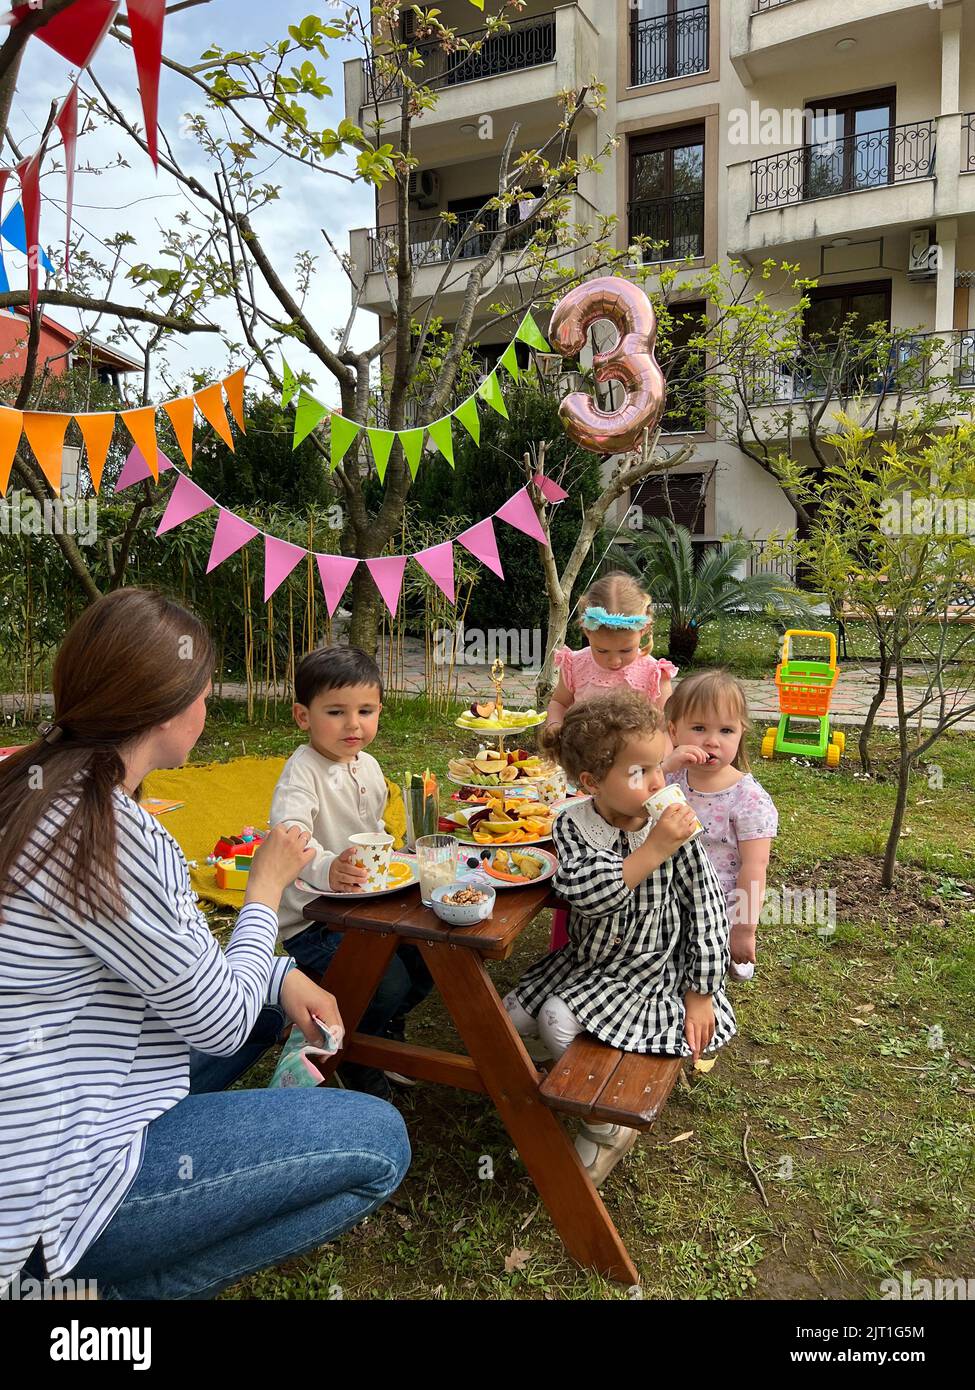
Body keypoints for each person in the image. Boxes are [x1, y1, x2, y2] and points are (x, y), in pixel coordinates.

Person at [0, 589, 410, 1301]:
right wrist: (263, 891)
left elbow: (183, 976)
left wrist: (279, 972)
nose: (207, 704)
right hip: (48, 1188)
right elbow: (217, 1021)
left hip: (55, 1091)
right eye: (203, 690)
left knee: (265, 1004)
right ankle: (83, 1296)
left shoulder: (27, 786)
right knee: (379, 1143)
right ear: (170, 707)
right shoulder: (113, 834)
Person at [504, 689, 735, 1188]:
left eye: (659, 767)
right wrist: (651, 850)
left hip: (649, 973)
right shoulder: (572, 825)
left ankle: (605, 1124)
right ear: (591, 783)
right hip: (588, 962)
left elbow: (708, 910)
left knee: (553, 1019)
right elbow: (588, 895)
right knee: (508, 1018)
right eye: (640, 772)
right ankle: (581, 1054)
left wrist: (701, 996)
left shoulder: (674, 827)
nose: (658, 782)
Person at [270, 646, 433, 1099]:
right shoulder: (302, 773)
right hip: (315, 918)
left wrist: (399, 854)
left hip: (366, 902)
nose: (353, 724)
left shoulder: (369, 765)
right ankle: (356, 1055)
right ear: (303, 716)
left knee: (431, 954)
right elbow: (290, 834)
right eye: (336, 712)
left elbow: (372, 828)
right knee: (386, 981)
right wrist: (326, 867)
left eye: (365, 711)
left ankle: (381, 1030)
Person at [546, 571, 678, 952]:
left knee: (629, 845)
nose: (616, 661)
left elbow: (663, 726)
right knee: (582, 842)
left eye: (626, 650)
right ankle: (570, 932)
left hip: (634, 782)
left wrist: (657, 766)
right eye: (603, 651)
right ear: (586, 633)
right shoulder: (576, 664)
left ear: (645, 631)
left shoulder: (653, 672)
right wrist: (556, 726)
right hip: (582, 780)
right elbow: (560, 702)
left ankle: (636, 933)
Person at [663, 670, 778, 981]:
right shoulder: (670, 779)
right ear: (674, 732)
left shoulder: (748, 798)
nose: (712, 741)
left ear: (741, 733)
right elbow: (631, 800)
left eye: (726, 730)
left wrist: (743, 930)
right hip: (666, 897)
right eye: (699, 728)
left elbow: (755, 867)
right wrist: (664, 765)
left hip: (717, 907)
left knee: (703, 977)